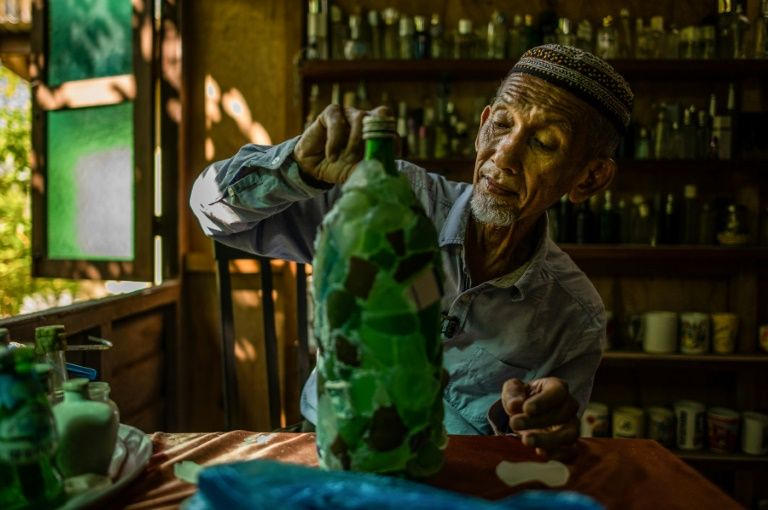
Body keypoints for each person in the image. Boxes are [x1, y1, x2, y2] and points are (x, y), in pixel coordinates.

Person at [190, 44, 633, 458]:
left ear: (589, 178)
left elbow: (543, 447)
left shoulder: (574, 317)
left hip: (452, 478)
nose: (505, 156)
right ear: (482, 128)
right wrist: (295, 170)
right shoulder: (380, 195)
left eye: (544, 143)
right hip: (327, 449)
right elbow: (209, 210)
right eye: (501, 124)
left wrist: (543, 423)